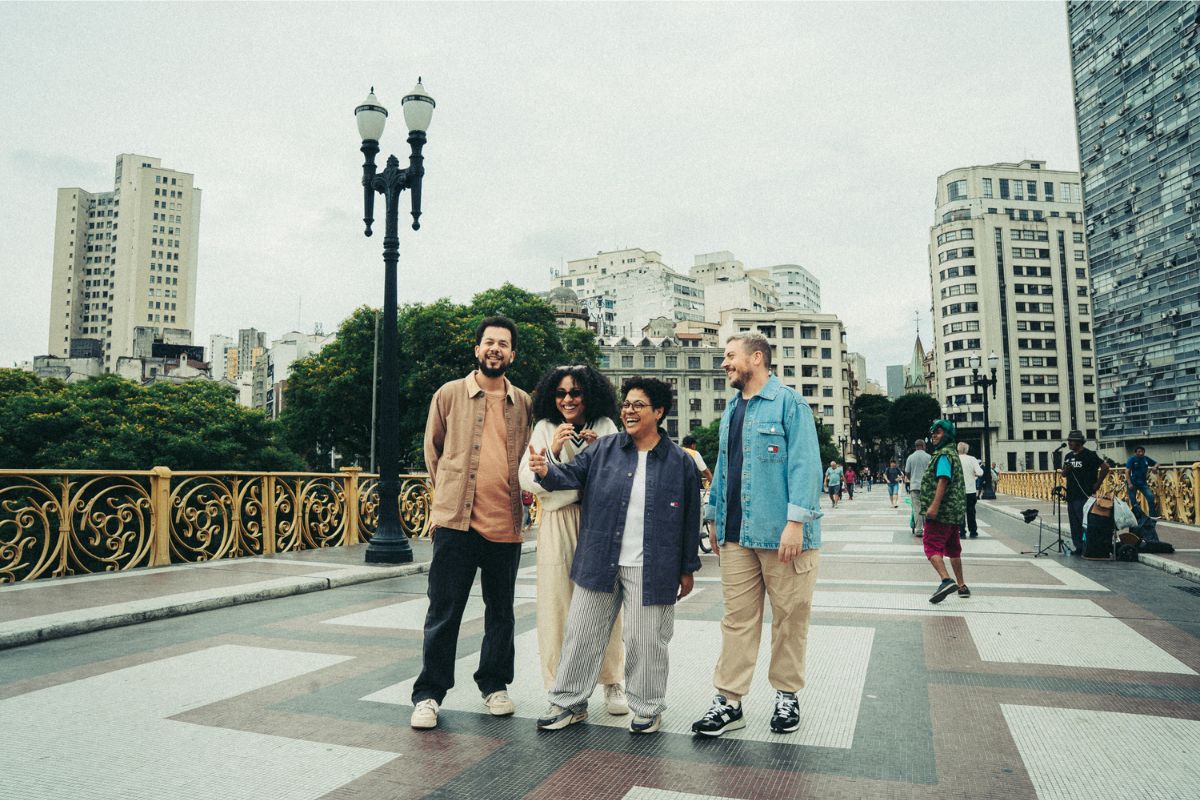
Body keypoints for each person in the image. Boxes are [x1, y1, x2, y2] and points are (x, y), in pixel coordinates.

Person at [528, 377, 701, 734]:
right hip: (600, 559)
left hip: (652, 567)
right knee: (581, 634)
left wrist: (687, 569)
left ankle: (648, 707)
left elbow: (690, 519)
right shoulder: (604, 449)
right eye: (626, 404)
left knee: (646, 641)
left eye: (638, 405)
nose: (628, 411)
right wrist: (546, 468)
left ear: (659, 412)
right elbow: (568, 476)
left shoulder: (680, 462)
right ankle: (568, 703)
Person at [691, 333, 823, 738]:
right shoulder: (732, 407)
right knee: (737, 621)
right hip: (737, 535)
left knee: (789, 619)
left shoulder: (790, 404)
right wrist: (714, 516)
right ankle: (729, 701)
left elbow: (806, 465)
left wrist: (796, 523)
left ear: (757, 358)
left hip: (783, 535)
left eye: (730, 356)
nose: (724, 363)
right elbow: (724, 466)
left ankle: (787, 695)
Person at [410, 316, 533, 730]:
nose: (495, 349)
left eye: (503, 344)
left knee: (501, 613)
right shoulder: (449, 394)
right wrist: (447, 498)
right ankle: (429, 694)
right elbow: (433, 451)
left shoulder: (524, 402)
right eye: (489, 342)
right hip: (456, 523)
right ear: (477, 349)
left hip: (506, 523)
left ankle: (494, 685)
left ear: (512, 354)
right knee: (444, 611)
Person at [518, 365, 626, 714]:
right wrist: (552, 451)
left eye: (576, 393)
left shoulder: (605, 426)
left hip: (599, 522)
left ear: (589, 395)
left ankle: (612, 680)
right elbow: (527, 478)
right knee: (556, 604)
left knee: (605, 602)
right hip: (558, 522)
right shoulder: (544, 428)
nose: (568, 400)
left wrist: (599, 453)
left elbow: (619, 476)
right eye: (561, 393)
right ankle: (559, 687)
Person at [921, 420, 968, 603]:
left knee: (931, 545)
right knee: (953, 548)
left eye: (939, 432)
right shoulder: (953, 454)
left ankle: (946, 580)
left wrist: (934, 506)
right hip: (954, 513)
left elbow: (943, 479)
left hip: (941, 512)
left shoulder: (943, 455)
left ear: (947, 435)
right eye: (933, 432)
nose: (934, 435)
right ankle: (962, 585)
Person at [1061, 430, 1109, 556]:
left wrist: (1098, 483)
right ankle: (1079, 547)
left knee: (1084, 523)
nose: (1069, 443)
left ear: (1079, 442)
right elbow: (1063, 474)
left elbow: (1105, 467)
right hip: (1071, 495)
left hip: (1084, 494)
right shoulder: (1068, 456)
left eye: (1071, 441)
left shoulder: (1089, 455)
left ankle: (1088, 546)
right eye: (1068, 441)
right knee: (1074, 523)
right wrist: (1067, 469)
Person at [904, 439, 931, 537]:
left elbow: (907, 472)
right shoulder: (929, 457)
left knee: (917, 508)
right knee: (927, 507)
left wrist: (912, 478)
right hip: (927, 486)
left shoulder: (910, 457)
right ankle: (928, 529)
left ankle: (919, 529)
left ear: (915, 447)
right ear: (923, 446)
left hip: (914, 486)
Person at [957, 442, 984, 538]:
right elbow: (980, 472)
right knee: (971, 511)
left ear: (958, 449)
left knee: (960, 512)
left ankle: (961, 532)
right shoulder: (972, 459)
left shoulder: (955, 459)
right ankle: (973, 531)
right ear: (967, 450)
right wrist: (974, 474)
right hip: (971, 489)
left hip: (959, 490)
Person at [1125, 446, 1158, 517]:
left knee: (1150, 497)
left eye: (1142, 451)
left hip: (1143, 483)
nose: (1141, 453)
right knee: (1133, 501)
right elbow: (1127, 472)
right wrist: (1129, 483)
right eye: (1139, 452)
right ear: (1135, 453)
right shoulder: (1132, 459)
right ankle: (1138, 516)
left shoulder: (1146, 459)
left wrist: (1155, 467)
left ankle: (1153, 515)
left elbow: (1157, 463)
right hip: (1133, 483)